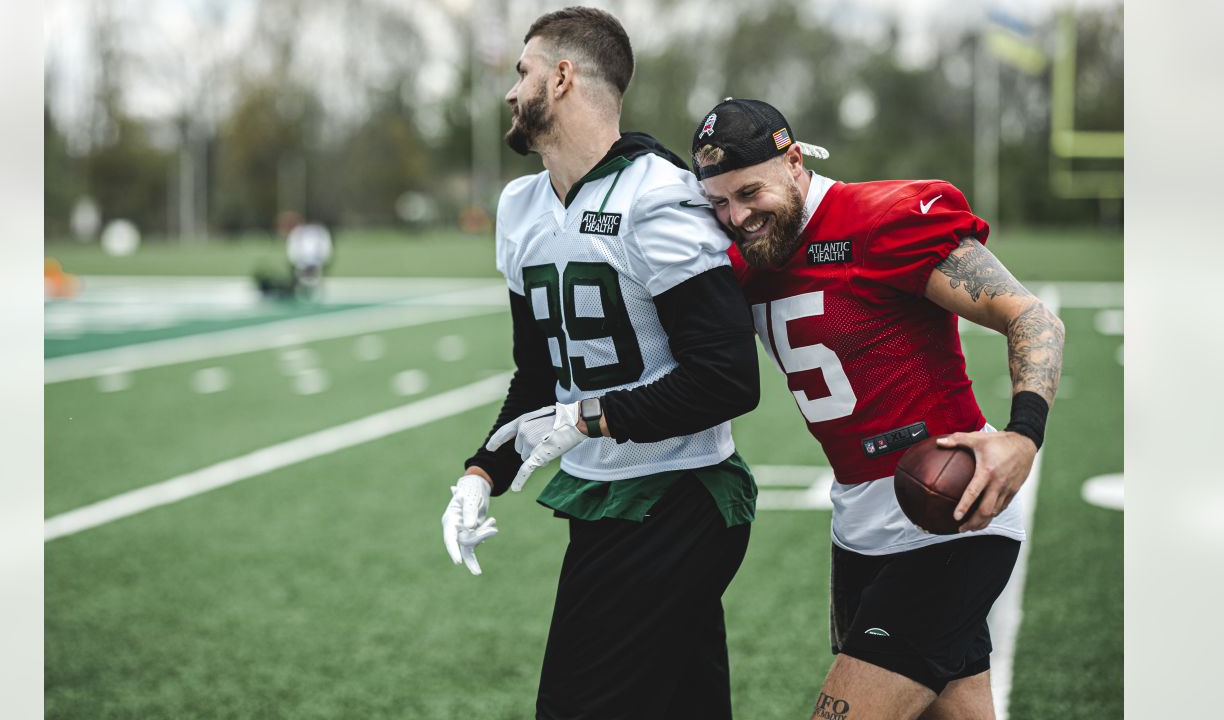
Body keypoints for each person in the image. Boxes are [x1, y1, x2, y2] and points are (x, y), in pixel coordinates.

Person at [688, 98, 1065, 720]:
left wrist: (1022, 436)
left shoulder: (883, 219)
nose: (737, 216)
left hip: (950, 512)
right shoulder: (744, 257)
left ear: (792, 161)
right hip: (858, 527)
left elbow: (1030, 317)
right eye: (720, 203)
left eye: (749, 192)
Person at [439, 9, 762, 720]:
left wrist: (592, 417)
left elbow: (728, 378)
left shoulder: (657, 196)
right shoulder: (521, 207)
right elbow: (538, 374)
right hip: (605, 503)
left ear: (561, 77)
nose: (510, 90)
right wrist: (482, 470)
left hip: (677, 498)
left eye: (522, 72)